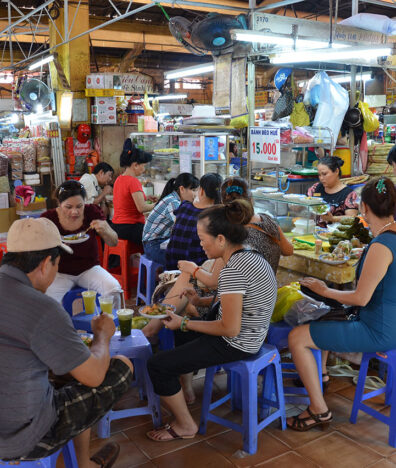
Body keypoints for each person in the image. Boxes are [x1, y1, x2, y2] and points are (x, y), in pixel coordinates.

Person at [0, 217, 133, 467]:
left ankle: (83, 462)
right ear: (44, 264)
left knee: (66, 380)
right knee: (121, 366)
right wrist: (102, 336)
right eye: (57, 266)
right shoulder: (43, 308)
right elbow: (93, 376)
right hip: (22, 437)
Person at [146, 199, 277, 441]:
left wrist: (184, 322)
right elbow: (239, 304)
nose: (200, 243)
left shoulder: (233, 269)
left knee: (157, 365)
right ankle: (186, 389)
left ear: (220, 239)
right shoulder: (248, 255)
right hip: (251, 334)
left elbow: (229, 327)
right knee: (180, 332)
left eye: (202, 237)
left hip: (238, 343)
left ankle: (185, 425)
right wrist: (200, 302)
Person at [287, 177, 396, 432]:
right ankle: (322, 377)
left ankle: (318, 409)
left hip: (378, 332)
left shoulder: (382, 245)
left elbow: (361, 298)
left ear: (365, 208)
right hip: (390, 324)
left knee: (297, 337)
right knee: (324, 317)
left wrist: (324, 290)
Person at [41, 180, 122, 307]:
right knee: (47, 302)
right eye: (68, 207)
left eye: (79, 206)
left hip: (89, 269)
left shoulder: (92, 212)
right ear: (59, 203)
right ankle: (59, 327)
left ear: (85, 202)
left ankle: (113, 324)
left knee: (113, 289)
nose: (75, 212)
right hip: (60, 272)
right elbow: (39, 251)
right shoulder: (48, 218)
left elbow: (114, 242)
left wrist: (105, 230)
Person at [165, 172, 222, 270]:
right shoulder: (214, 215)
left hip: (171, 264)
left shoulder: (185, 205)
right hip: (194, 268)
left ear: (202, 191)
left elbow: (174, 230)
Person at [142, 173, 199, 266]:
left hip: (161, 242)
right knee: (184, 261)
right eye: (193, 190)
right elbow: (182, 226)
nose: (195, 194)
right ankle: (168, 279)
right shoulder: (173, 202)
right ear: (182, 189)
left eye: (197, 190)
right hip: (153, 245)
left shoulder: (175, 199)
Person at [112, 138, 156, 245]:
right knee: (159, 238)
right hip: (131, 228)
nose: (144, 169)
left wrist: (146, 197)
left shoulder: (119, 179)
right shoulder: (133, 181)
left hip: (117, 227)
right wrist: (158, 204)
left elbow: (128, 200)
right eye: (143, 166)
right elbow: (142, 208)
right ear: (135, 165)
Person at [307, 156, 358, 227]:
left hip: (336, 235)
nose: (321, 178)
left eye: (324, 174)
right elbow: (305, 202)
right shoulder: (316, 188)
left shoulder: (349, 194)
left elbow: (352, 218)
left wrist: (333, 218)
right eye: (319, 175)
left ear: (336, 171)